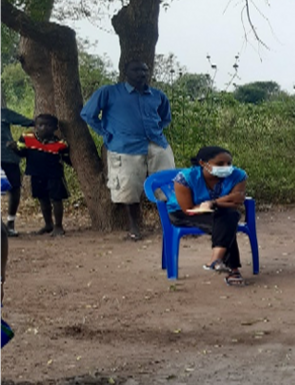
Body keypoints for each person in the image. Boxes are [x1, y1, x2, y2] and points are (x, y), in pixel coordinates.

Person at [81, 59, 175, 240]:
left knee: (167, 185)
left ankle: (170, 224)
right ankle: (134, 228)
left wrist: (155, 130)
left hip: (157, 144)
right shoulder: (109, 92)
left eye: (145, 70)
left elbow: (165, 118)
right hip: (125, 147)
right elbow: (88, 114)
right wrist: (107, 134)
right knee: (128, 188)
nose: (141, 74)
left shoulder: (157, 95)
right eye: (136, 70)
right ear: (125, 72)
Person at [167, 146, 248, 287]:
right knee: (226, 222)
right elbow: (188, 208)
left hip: (219, 211)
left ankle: (216, 260)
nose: (226, 167)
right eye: (220, 164)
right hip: (184, 213)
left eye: (229, 163)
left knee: (230, 215)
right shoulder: (185, 178)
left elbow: (237, 202)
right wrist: (224, 200)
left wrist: (213, 203)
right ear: (203, 163)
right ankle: (232, 269)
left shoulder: (238, 176)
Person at [16, 114, 70, 236]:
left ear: (55, 128)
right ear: (35, 126)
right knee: (42, 199)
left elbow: (67, 158)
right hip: (36, 174)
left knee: (56, 199)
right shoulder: (27, 138)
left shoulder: (60, 143)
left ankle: (58, 226)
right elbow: (22, 153)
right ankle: (48, 224)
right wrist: (15, 148)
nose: (44, 128)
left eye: (48, 125)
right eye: (40, 125)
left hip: (54, 175)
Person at [0, 106, 35, 236]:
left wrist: (39, 123)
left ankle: (10, 223)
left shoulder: (4, 113)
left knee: (14, 188)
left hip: (8, 158)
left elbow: (24, 121)